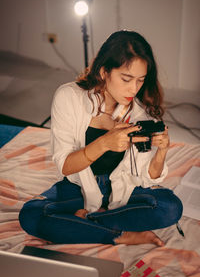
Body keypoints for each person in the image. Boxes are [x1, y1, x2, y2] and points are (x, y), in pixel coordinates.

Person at [19, 30, 183, 246]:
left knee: (171, 207)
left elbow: (145, 178)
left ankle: (87, 222)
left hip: (122, 191)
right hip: (79, 188)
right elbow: (65, 166)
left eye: (140, 81)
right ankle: (119, 235)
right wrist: (104, 143)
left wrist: (162, 152)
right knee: (31, 214)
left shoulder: (139, 113)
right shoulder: (69, 97)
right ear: (104, 71)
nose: (133, 89)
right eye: (126, 79)